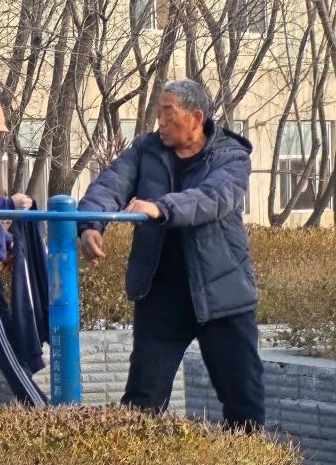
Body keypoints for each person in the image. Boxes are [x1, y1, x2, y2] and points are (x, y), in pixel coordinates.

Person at [79, 78, 265, 428]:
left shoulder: (231, 157)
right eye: (158, 114)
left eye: (168, 114)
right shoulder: (146, 150)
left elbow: (212, 199)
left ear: (196, 118)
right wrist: (91, 224)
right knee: (142, 405)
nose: (160, 122)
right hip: (161, 294)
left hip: (222, 295)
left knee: (244, 403)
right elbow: (110, 184)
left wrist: (159, 208)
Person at [0, 97, 46, 405]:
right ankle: (38, 405)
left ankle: (36, 403)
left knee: (4, 335)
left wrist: (6, 241)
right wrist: (10, 204)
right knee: (4, 339)